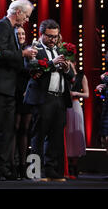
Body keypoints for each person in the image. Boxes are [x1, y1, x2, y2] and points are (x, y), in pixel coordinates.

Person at [0, 0, 37, 180]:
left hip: (9, 88)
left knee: (7, 130)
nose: (27, 20)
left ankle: (4, 167)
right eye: (27, 16)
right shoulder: (0, 26)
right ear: (18, 12)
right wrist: (22, 54)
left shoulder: (12, 30)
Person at [24, 19, 74, 181]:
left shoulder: (60, 50)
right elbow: (31, 68)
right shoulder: (34, 49)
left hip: (59, 99)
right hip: (42, 99)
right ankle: (34, 172)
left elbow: (72, 76)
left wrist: (67, 69)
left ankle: (51, 170)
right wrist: (52, 63)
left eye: (55, 36)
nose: (53, 40)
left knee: (56, 137)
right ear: (41, 34)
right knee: (38, 136)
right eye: (49, 36)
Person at [13, 26, 33, 179]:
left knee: (25, 129)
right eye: (18, 33)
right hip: (14, 92)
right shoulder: (14, 50)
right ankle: (13, 163)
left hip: (27, 92)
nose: (21, 35)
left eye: (23, 33)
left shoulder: (29, 51)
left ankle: (23, 165)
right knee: (15, 127)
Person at [65, 61, 89, 178]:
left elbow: (87, 94)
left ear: (74, 63)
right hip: (65, 107)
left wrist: (75, 93)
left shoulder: (81, 76)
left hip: (75, 105)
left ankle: (75, 165)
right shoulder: (64, 75)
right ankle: (68, 164)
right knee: (67, 135)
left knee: (76, 135)